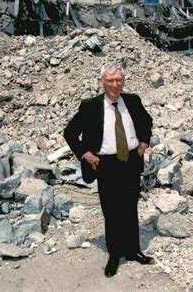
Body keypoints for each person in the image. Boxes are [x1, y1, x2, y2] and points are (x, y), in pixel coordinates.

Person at [64, 61, 154, 277]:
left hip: (131, 161)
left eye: (118, 80)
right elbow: (70, 132)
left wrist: (144, 143)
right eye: (110, 80)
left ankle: (133, 250)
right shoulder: (90, 106)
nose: (115, 84)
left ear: (123, 81)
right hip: (106, 165)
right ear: (102, 82)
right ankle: (114, 255)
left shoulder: (133, 101)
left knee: (130, 206)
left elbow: (146, 121)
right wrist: (84, 153)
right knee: (112, 210)